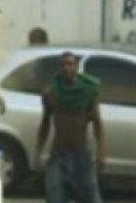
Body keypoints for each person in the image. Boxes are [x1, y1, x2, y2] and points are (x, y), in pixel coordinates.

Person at [36, 52, 104, 203]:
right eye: (63, 64)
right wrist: (39, 151)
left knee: (91, 197)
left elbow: (98, 123)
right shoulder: (51, 93)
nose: (66, 68)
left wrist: (101, 152)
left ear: (77, 67)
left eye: (70, 64)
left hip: (81, 156)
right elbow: (45, 123)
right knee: (55, 197)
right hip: (58, 155)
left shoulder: (88, 92)